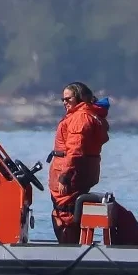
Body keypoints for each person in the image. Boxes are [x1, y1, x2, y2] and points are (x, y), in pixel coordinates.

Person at [48, 82, 109, 244]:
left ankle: (70, 249)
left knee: (64, 212)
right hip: (79, 173)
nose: (64, 102)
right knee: (69, 209)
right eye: (63, 99)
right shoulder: (88, 115)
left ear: (80, 98)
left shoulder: (80, 117)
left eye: (68, 98)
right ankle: (75, 244)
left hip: (71, 175)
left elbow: (75, 149)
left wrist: (65, 176)